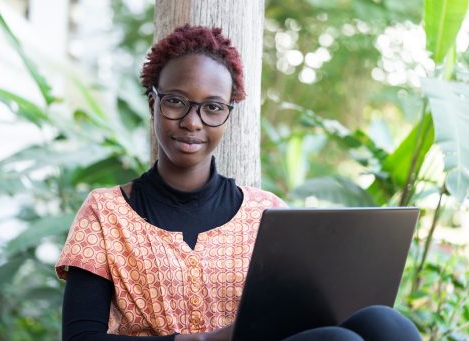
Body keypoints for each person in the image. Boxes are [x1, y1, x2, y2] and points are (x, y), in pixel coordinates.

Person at [56, 25, 421, 341]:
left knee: (384, 322)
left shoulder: (268, 213)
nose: (192, 122)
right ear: (153, 103)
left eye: (212, 107)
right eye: (176, 102)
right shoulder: (106, 214)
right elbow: (80, 337)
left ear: (228, 114)